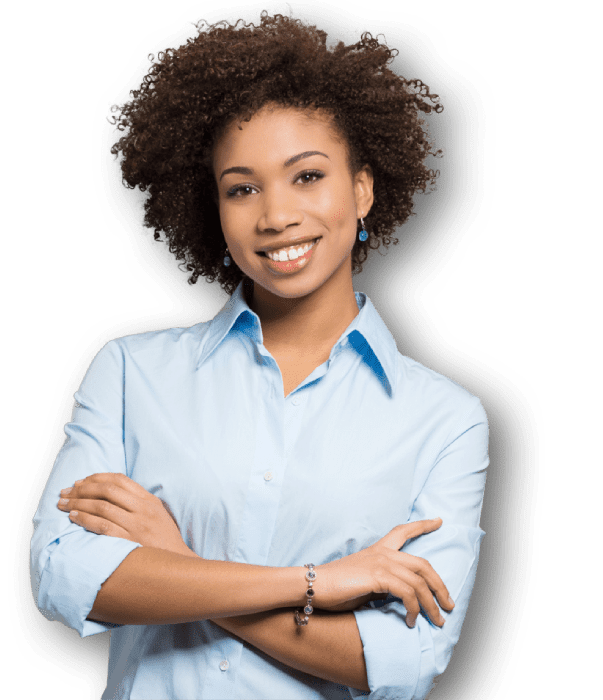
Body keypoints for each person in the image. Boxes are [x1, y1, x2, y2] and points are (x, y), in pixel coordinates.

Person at [29, 12, 489, 700]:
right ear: (214, 210)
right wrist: (315, 586)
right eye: (242, 188)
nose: (275, 215)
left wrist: (174, 565)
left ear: (362, 189)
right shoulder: (130, 373)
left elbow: (401, 661)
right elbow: (63, 578)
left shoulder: (445, 419)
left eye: (307, 177)